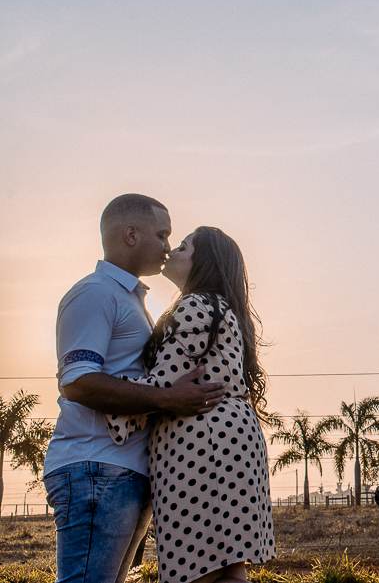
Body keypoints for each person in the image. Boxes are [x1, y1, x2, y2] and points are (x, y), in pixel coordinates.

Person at [44, 194, 227, 583]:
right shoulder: (95, 293)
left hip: (121, 469)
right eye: (162, 235)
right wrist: (168, 398)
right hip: (95, 466)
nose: (166, 246)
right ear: (131, 234)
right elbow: (78, 382)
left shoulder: (128, 300)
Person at [106, 226, 276, 583]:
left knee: (195, 568)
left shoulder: (196, 305)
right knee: (230, 567)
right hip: (234, 442)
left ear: (203, 262)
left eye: (183, 246)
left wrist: (105, 395)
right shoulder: (223, 308)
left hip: (200, 444)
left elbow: (166, 383)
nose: (173, 251)